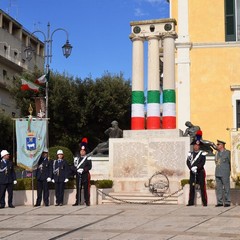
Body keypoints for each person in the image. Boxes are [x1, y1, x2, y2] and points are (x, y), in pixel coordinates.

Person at [186, 140, 208, 206]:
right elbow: (187, 162)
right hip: (192, 172)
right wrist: (191, 168)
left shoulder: (202, 154)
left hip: (200, 172)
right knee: (192, 187)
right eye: (195, 145)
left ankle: (204, 202)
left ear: (199, 146)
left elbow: (202, 163)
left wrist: (197, 167)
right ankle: (191, 202)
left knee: (202, 187)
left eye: (197, 145)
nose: (196, 147)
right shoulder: (190, 154)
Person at [72, 139, 92, 206]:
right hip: (78, 175)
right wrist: (76, 170)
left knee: (86, 189)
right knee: (78, 189)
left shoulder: (88, 158)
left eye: (83, 151)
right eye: (81, 151)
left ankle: (87, 201)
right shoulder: (76, 159)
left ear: (85, 152)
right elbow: (73, 166)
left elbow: (89, 166)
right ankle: (78, 201)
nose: (82, 152)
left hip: (85, 175)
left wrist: (83, 170)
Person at [215, 140, 231, 207]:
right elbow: (216, 162)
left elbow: (231, 162)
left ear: (222, 145)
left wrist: (230, 171)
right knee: (219, 188)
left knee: (226, 187)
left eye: (218, 144)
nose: (217, 145)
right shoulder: (217, 153)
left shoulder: (228, 153)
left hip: (225, 172)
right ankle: (220, 202)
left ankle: (227, 202)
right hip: (218, 172)